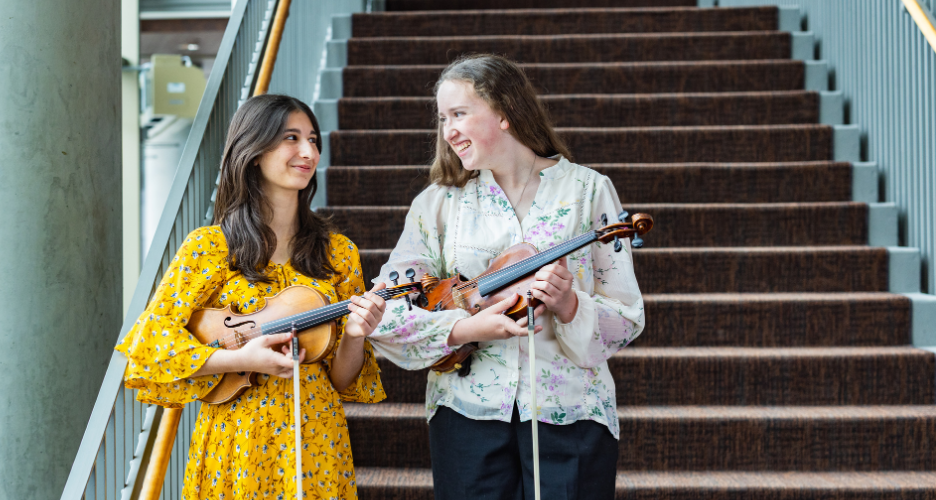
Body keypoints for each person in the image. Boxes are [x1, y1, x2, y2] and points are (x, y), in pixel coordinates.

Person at [368, 54, 644, 500]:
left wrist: (569, 306)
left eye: (459, 113)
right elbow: (383, 312)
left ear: (504, 112)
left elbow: (627, 315)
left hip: (571, 412)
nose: (448, 131)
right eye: (443, 118)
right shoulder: (437, 204)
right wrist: (466, 327)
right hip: (466, 413)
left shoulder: (589, 190)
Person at [116, 94, 388, 499]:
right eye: (290, 138)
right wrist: (240, 359)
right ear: (253, 152)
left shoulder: (338, 252)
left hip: (315, 436)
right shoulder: (209, 247)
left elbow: (341, 379)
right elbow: (151, 342)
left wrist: (354, 334)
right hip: (236, 440)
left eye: (313, 139)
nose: (307, 151)